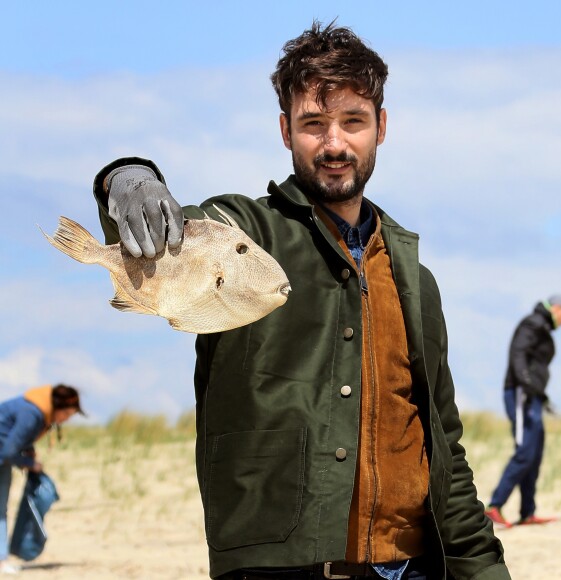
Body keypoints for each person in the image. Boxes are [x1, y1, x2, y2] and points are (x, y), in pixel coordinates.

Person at [91, 21, 510, 580]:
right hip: (279, 566)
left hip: (414, 566)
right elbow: (162, 237)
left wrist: (482, 568)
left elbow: (445, 448)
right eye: (314, 124)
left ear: (381, 128)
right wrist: (126, 177)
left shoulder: (414, 277)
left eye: (353, 122)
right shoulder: (242, 235)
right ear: (286, 130)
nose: (335, 144)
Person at [485, 295, 561, 529]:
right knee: (526, 451)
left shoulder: (542, 327)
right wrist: (526, 384)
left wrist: (541, 395)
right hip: (520, 393)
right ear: (558, 309)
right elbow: (518, 354)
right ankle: (494, 507)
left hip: (532, 395)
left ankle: (527, 512)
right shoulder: (533, 323)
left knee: (535, 454)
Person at [0, 384, 84, 575]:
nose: (66, 420)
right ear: (58, 407)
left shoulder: (36, 411)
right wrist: (30, 463)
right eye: (67, 415)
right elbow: (8, 451)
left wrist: (27, 454)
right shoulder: (32, 413)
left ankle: (1, 560)